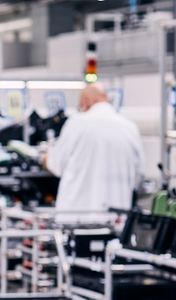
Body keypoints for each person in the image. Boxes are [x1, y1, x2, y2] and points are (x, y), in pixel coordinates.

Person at [42, 82, 144, 215]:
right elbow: (139, 174)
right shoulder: (130, 128)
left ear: (86, 102)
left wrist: (44, 158)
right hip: (117, 218)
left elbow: (56, 165)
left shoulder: (76, 123)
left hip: (77, 219)